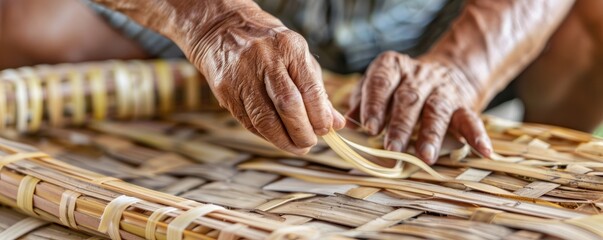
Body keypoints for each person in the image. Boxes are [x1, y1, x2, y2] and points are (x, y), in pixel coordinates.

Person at [1, 0, 598, 165]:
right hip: (225, 11)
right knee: (20, 24)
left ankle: (511, 156)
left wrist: (463, 67)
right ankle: (196, 96)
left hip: (434, 20)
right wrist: (210, 21)